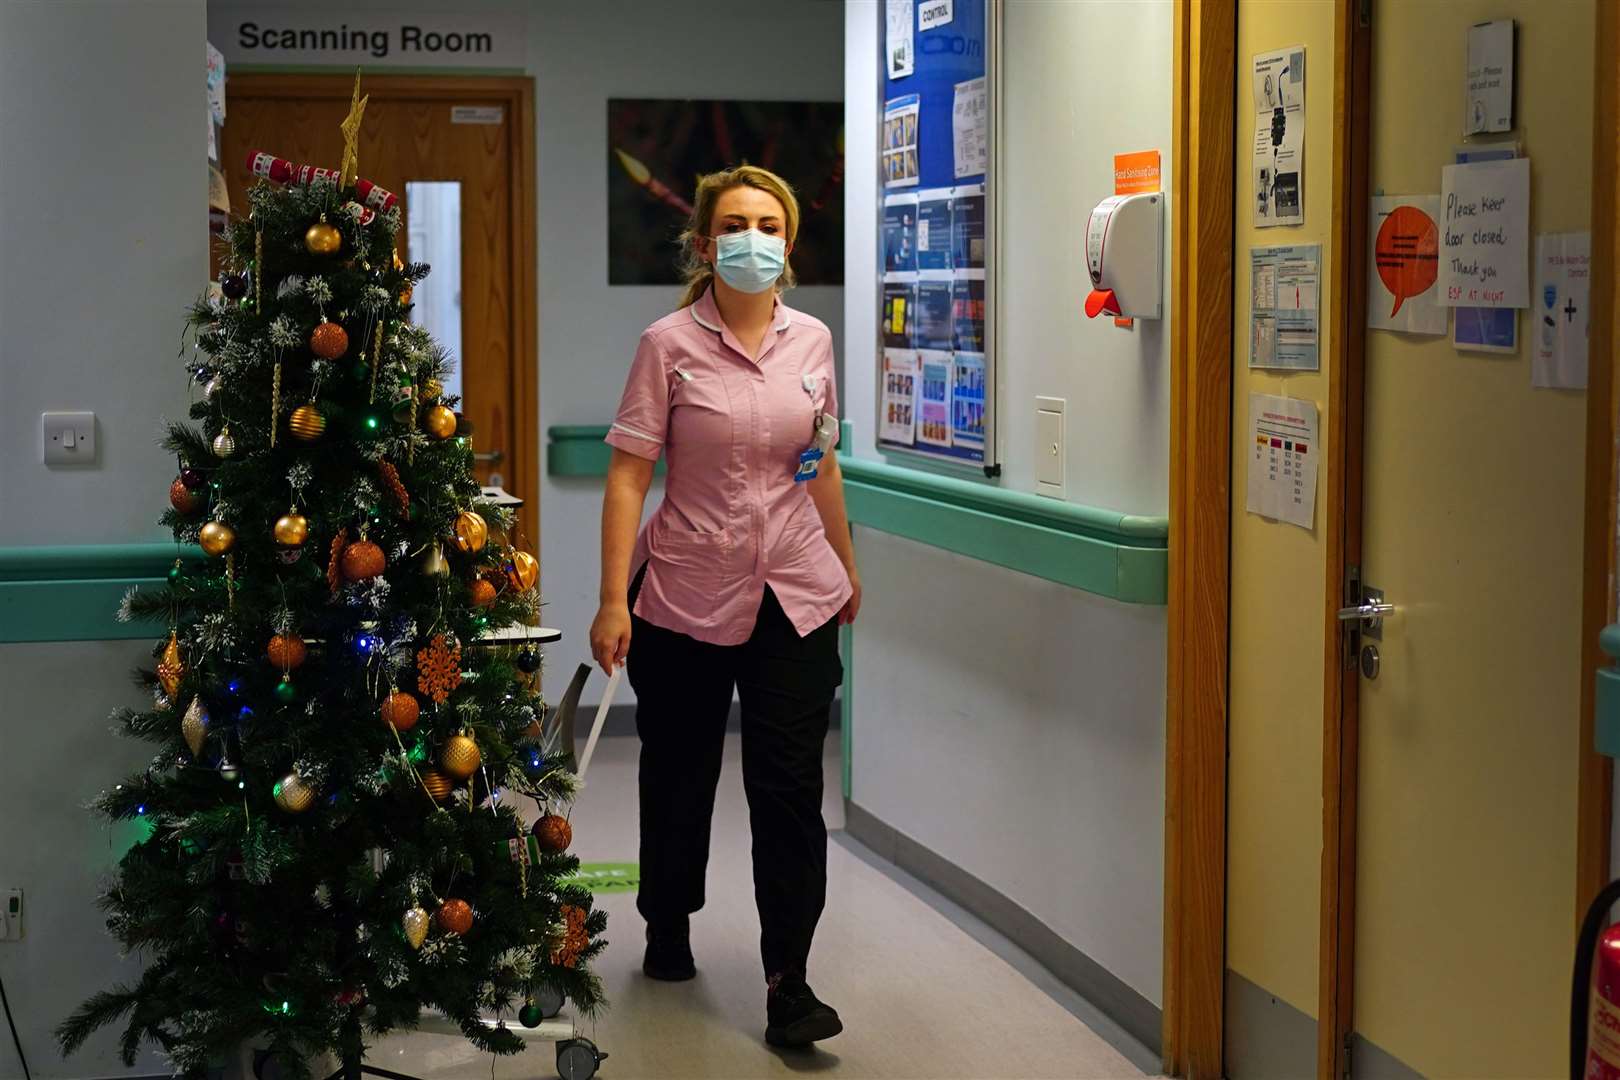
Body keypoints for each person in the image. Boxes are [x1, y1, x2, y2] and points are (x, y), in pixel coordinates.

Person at [589, 164, 860, 1049]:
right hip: (684, 591)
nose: (756, 238)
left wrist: (846, 569)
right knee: (678, 777)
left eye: (772, 224)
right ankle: (668, 922)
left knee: (789, 788)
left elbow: (819, 464)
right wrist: (609, 600)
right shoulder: (667, 344)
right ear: (705, 244)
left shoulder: (814, 342)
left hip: (793, 591)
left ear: (790, 242)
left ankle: (790, 980)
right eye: (738, 224)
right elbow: (630, 473)